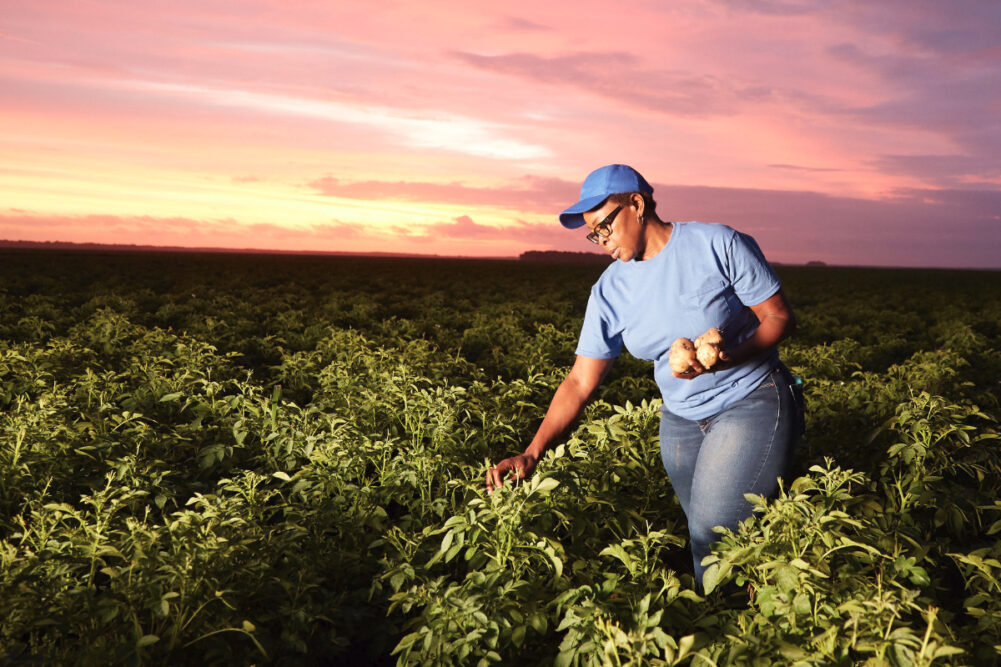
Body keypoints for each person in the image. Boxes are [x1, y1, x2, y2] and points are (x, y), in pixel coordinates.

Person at [485, 164, 801, 590]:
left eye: (604, 227)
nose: (601, 242)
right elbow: (579, 382)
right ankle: (755, 608)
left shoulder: (716, 243)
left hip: (750, 400)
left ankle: (734, 632)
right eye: (592, 235)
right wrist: (532, 451)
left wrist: (728, 356)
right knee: (713, 539)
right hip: (681, 423)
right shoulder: (609, 290)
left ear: (636, 204)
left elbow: (778, 316)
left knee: (714, 537)